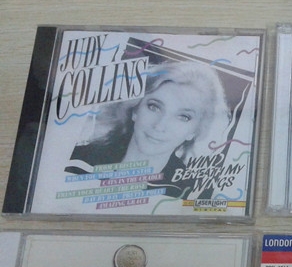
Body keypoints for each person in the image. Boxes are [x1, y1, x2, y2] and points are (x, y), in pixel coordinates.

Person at [66, 60, 231, 197]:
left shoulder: (195, 193)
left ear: (194, 131)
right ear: (135, 109)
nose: (160, 126)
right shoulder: (76, 160)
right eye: (154, 107)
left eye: (183, 117)